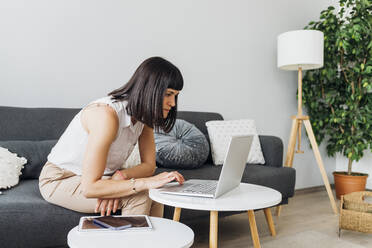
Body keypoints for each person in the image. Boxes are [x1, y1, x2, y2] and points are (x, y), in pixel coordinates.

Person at [39, 57, 185, 217]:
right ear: (149, 90)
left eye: (175, 96)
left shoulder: (144, 117)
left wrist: (120, 177)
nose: (172, 103)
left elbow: (149, 166)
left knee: (156, 190)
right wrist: (138, 184)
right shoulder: (106, 115)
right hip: (61, 178)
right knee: (140, 194)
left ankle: (157, 242)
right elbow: (90, 188)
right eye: (168, 94)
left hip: (103, 178)